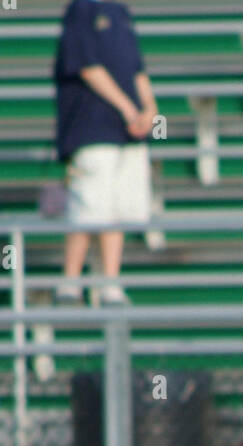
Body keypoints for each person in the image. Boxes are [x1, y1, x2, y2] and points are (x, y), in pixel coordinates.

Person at [54, 0, 157, 304]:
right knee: (89, 205)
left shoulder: (121, 12)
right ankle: (71, 282)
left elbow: (137, 69)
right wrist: (129, 109)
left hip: (127, 134)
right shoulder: (81, 10)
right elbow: (87, 67)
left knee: (117, 209)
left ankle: (109, 282)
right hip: (93, 128)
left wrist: (150, 109)